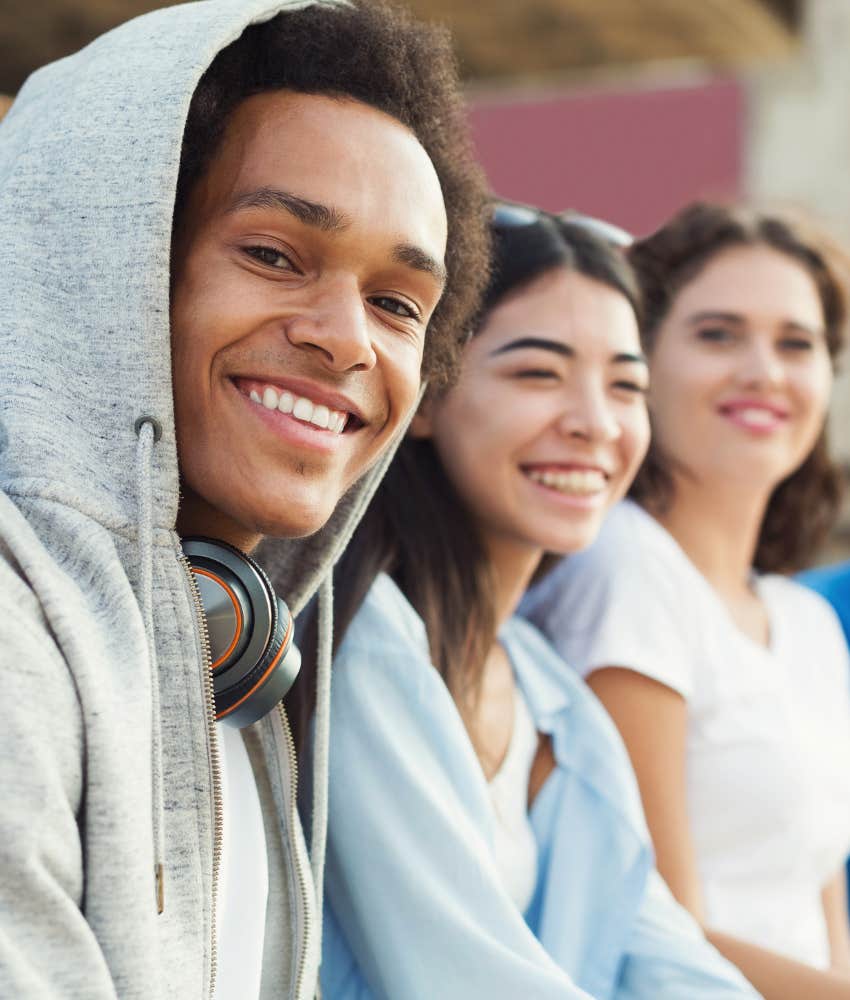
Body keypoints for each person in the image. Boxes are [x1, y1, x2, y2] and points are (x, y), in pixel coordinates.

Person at [0, 2, 489, 998]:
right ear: (99, 264)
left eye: (398, 304)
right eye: (273, 253)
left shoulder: (233, 658)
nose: (348, 340)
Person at [306, 204, 760, 998]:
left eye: (627, 386)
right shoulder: (362, 640)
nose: (595, 424)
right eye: (538, 373)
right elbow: (466, 978)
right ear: (428, 397)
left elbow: (665, 962)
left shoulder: (557, 705)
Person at [522, 201, 850, 999]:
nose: (764, 371)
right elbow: (659, 930)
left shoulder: (805, 619)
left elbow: (818, 904)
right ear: (641, 363)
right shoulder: (626, 568)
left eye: (796, 344)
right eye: (718, 334)